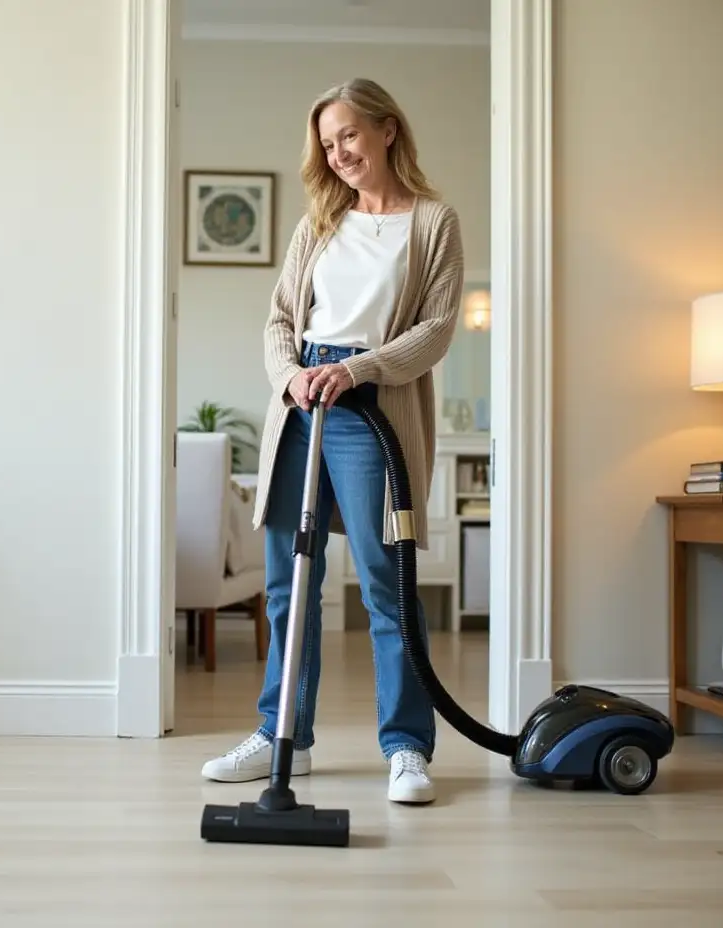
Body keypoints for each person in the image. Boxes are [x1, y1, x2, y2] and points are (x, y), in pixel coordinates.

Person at [200, 78, 465, 804]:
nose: (339, 152)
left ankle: (407, 748)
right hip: (303, 400)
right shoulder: (319, 221)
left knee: (388, 580)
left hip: (373, 400)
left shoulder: (433, 222)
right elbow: (280, 319)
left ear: (385, 129)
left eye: (348, 134)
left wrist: (357, 369)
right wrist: (291, 376)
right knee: (290, 582)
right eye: (327, 142)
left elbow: (435, 329)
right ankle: (284, 736)